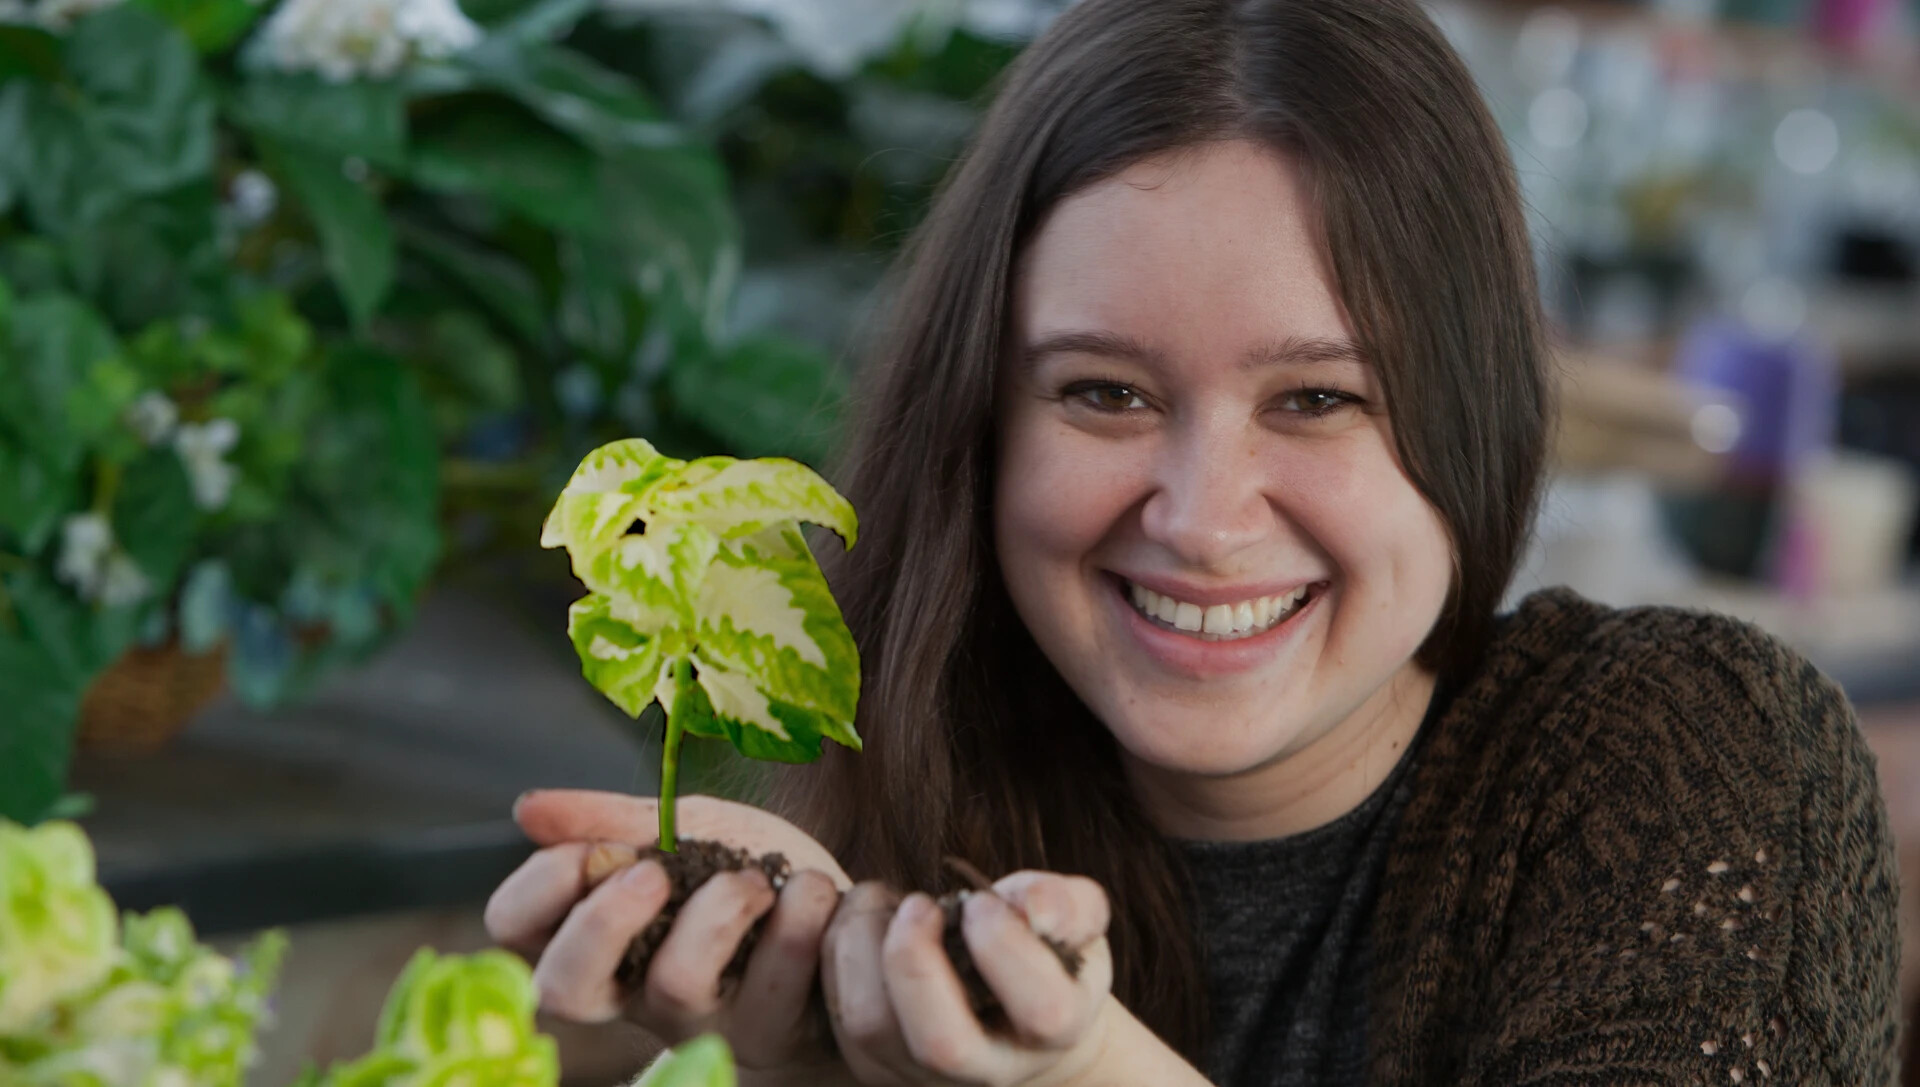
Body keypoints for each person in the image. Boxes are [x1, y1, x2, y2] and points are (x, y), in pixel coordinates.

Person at [485, 0, 1902, 1083]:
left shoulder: (1691, 750)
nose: (1204, 518)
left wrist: (1080, 1066)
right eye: (1104, 393)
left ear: (1472, 422)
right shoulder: (886, 839)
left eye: (1318, 399)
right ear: (979, 425)